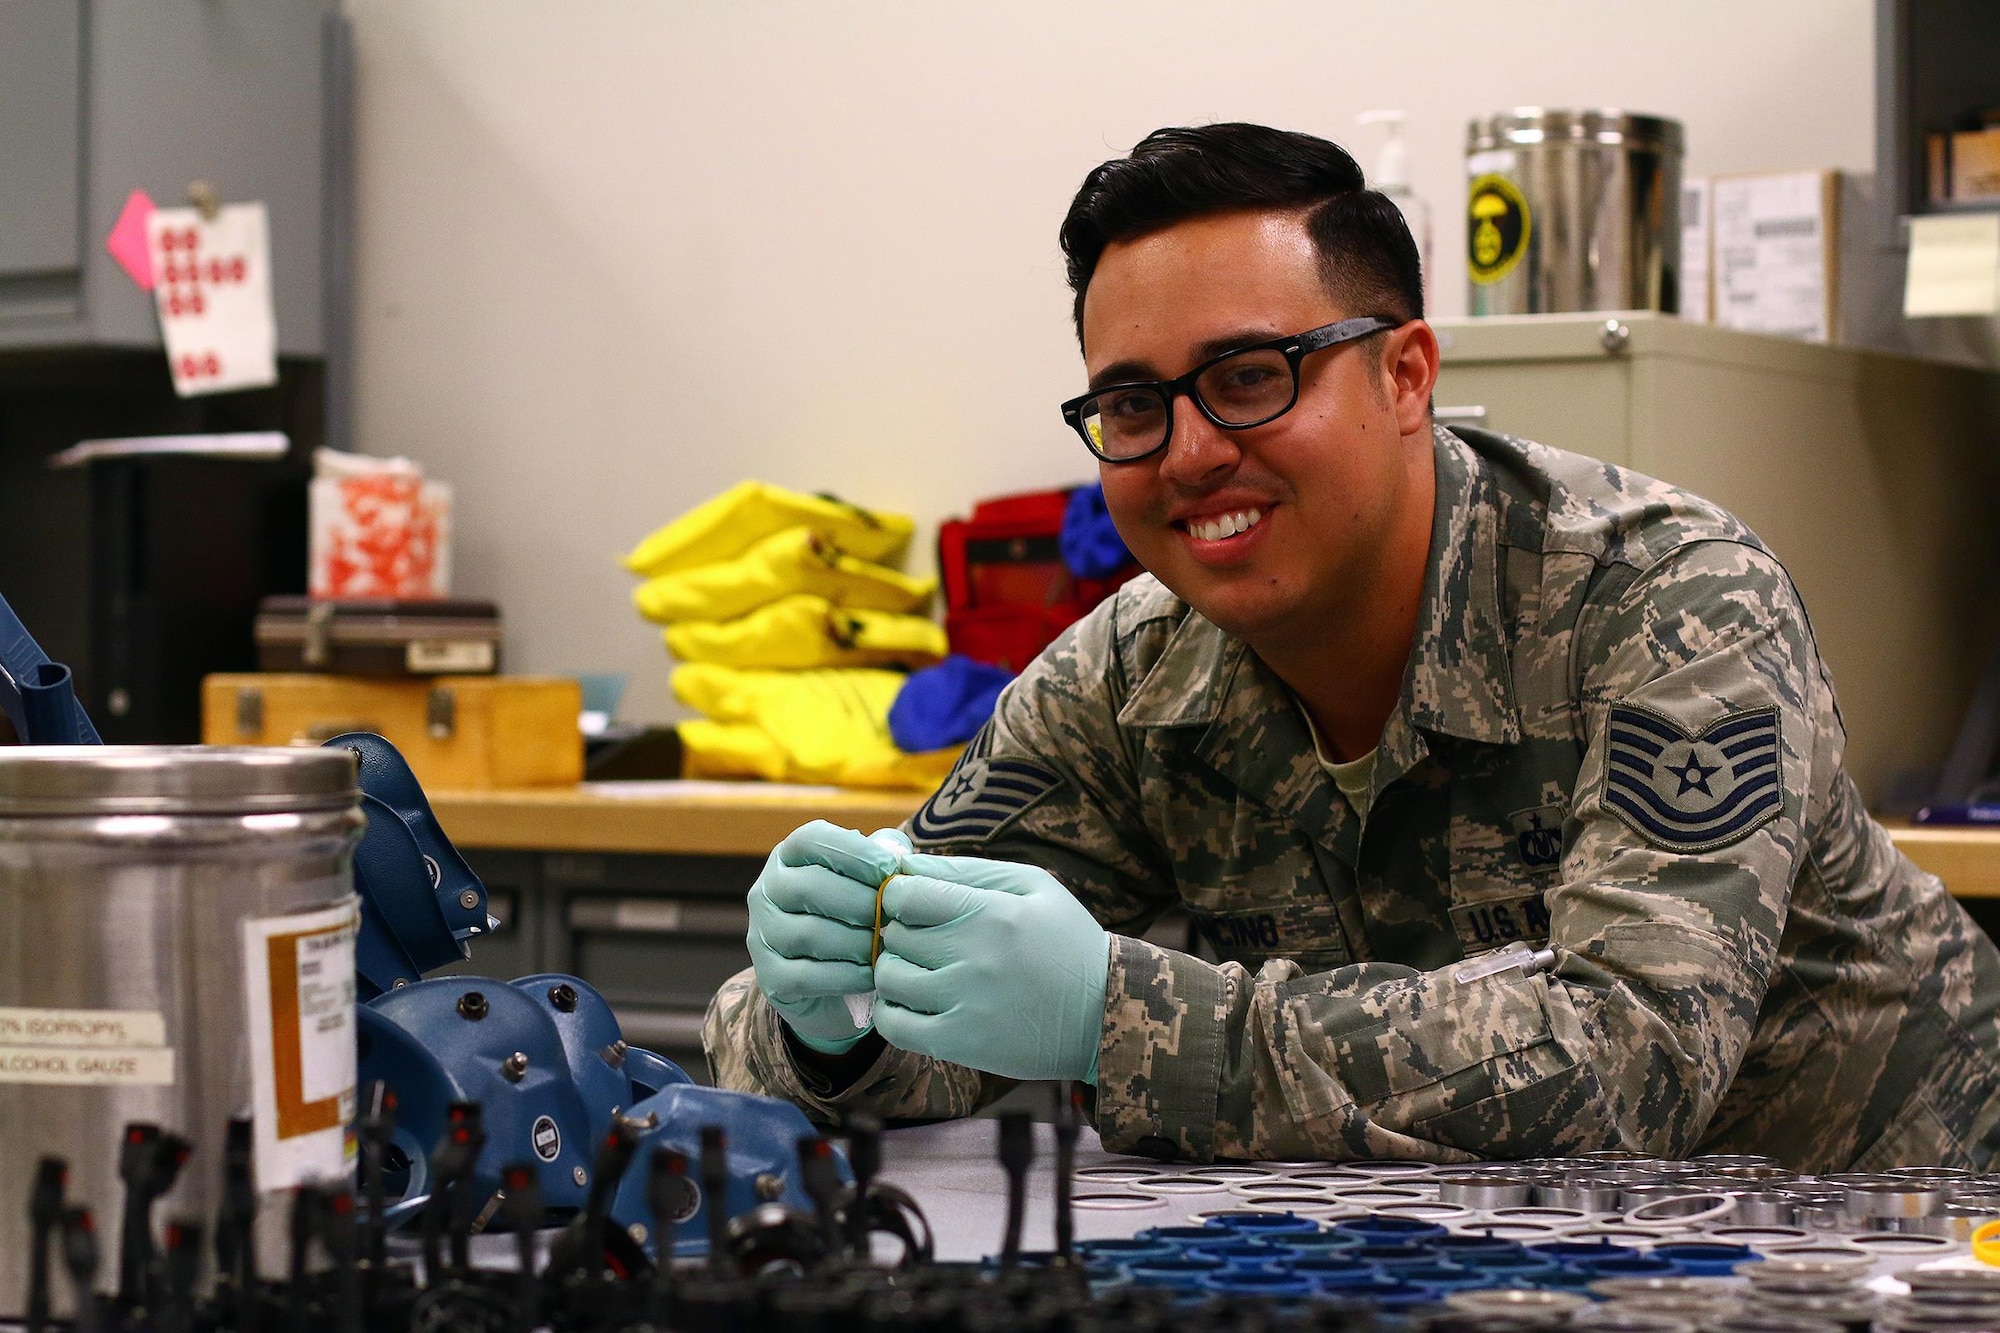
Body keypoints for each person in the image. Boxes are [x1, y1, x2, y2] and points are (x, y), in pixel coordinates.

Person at [703, 123, 2000, 1169]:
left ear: (1407, 376)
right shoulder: (1120, 679)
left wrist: (1117, 1014)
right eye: (1133, 403)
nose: (1194, 448)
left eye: (1254, 373)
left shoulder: (1668, 598)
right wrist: (833, 1024)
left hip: (1900, 1233)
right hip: (1480, 1259)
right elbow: (904, 1027)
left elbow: (1632, 1065)